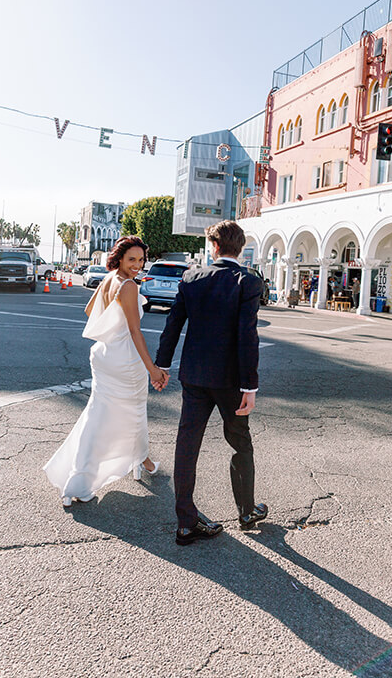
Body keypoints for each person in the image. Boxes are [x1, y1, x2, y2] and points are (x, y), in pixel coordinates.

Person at [155, 220, 268, 546]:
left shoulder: (191, 278)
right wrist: (250, 387)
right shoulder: (246, 281)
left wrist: (162, 364)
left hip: (193, 376)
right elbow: (248, 336)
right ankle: (247, 511)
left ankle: (186, 523)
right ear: (240, 248)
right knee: (240, 441)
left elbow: (173, 324)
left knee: (187, 445)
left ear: (214, 246)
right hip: (231, 382)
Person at [43, 236, 168, 507]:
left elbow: (90, 311)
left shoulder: (108, 279)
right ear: (120, 259)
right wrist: (153, 369)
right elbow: (135, 332)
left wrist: (112, 328)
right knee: (129, 414)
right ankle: (82, 480)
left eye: (141, 260)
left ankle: (142, 461)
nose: (137, 265)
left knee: (102, 414)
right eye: (131, 259)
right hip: (124, 359)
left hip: (103, 354)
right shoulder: (129, 287)